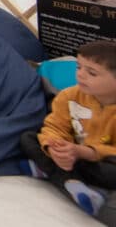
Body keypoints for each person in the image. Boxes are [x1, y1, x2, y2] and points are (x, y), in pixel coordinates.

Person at [20, 40, 116, 220]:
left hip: (98, 160)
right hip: (71, 152)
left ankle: (54, 173)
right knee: (28, 138)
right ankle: (72, 182)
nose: (80, 75)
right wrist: (54, 147)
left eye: (92, 73)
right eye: (78, 67)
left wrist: (84, 152)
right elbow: (55, 126)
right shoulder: (70, 95)